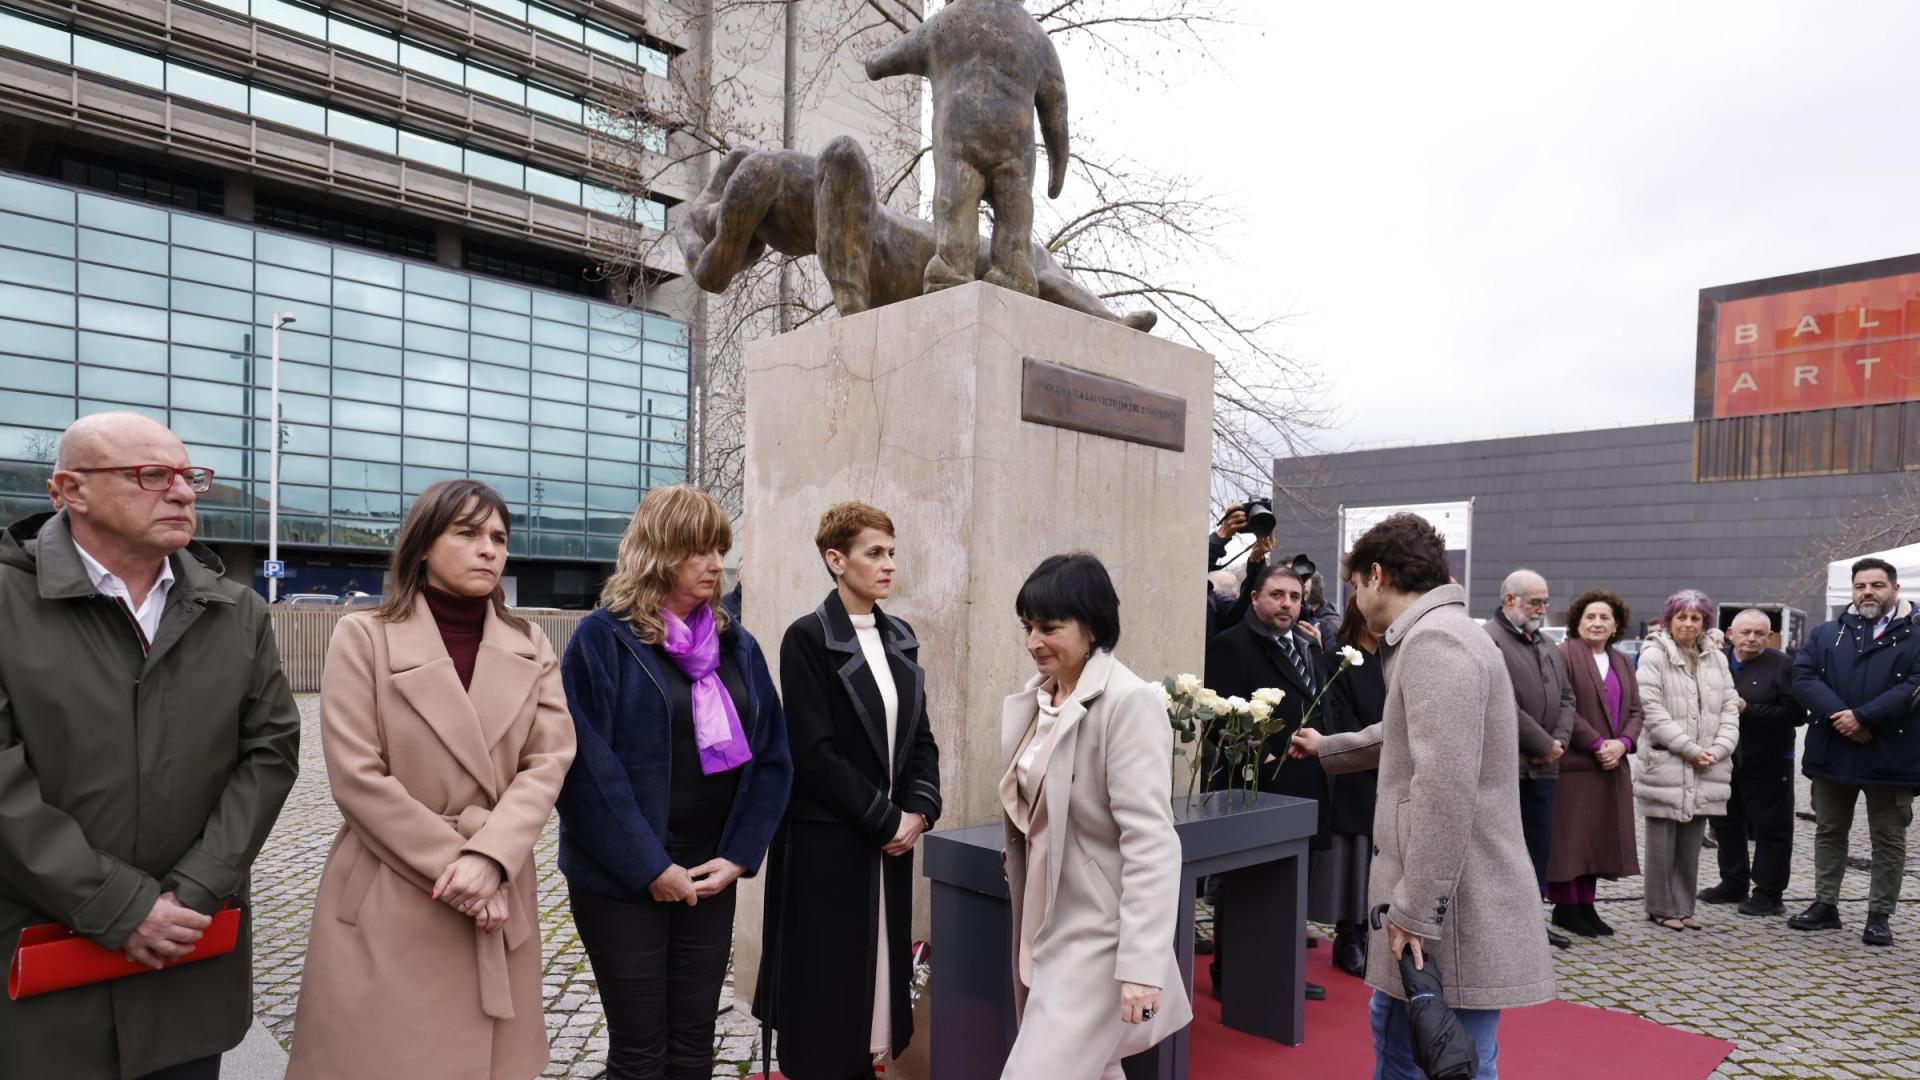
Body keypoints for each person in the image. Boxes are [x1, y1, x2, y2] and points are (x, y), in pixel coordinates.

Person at [0, 412, 301, 1080]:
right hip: (39, 968)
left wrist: (195, 891)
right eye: (152, 475)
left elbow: (271, 751)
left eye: (190, 476)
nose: (186, 492)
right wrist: (118, 906)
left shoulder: (235, 610)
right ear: (68, 491)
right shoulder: (6, 600)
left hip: (187, 969)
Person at [286, 480, 577, 1079]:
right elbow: (357, 776)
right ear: (422, 544)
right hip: (395, 883)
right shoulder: (363, 636)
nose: (488, 549)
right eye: (467, 533)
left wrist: (492, 858)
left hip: (496, 880)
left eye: (498, 537)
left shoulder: (530, 643)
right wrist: (465, 865)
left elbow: (548, 761)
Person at [1291, 513, 1554, 1079]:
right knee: (1447, 1055)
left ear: (1377, 575)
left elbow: (1444, 786)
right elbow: (1412, 735)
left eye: (1355, 585)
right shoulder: (1445, 634)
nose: (1355, 600)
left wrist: (1416, 911)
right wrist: (1329, 748)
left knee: (1428, 1059)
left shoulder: (1435, 641)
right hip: (1450, 904)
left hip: (1447, 912)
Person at [554, 485, 792, 1078]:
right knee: (639, 1056)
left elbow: (771, 756)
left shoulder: (737, 645)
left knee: (692, 1048)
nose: (717, 565)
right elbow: (585, 767)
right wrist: (649, 867)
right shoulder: (604, 640)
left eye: (721, 550)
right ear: (657, 553)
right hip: (621, 878)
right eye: (699, 551)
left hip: (710, 873)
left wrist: (738, 856)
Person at [757, 503, 942, 1077]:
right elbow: (813, 753)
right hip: (828, 846)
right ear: (836, 560)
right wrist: (887, 821)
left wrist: (920, 810)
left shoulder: (901, 636)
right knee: (829, 996)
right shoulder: (808, 638)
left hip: (888, 843)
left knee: (876, 997)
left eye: (891, 552)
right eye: (873, 553)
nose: (888, 564)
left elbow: (922, 741)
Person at [999, 553, 1192, 1079]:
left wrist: (1142, 967)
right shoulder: (1038, 700)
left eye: (1049, 628)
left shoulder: (1128, 703)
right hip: (1045, 920)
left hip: (1098, 936)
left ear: (1092, 629)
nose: (1033, 641)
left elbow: (1151, 843)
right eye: (1028, 627)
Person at [1204, 559, 1329, 1001]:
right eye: (1277, 595)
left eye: (1294, 597)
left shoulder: (1307, 645)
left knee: (1291, 889)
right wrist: (1268, 754)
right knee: (1245, 887)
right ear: (1254, 598)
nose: (1287, 604)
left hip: (1305, 785)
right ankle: (1230, 971)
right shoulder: (1230, 645)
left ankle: (1282, 970)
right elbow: (1222, 719)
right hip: (1257, 789)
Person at [1789, 557, 1920, 946]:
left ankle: (1879, 915)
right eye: (1861, 585)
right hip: (1833, 748)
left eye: (1877, 585)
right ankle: (1825, 905)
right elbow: (1804, 676)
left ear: (1895, 589)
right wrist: (1839, 716)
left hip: (1892, 753)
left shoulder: (1917, 634)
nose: (1868, 592)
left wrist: (1863, 718)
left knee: (1888, 838)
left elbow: (1915, 685)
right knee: (1829, 830)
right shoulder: (1829, 633)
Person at [1633, 590, 1740, 932]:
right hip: (1669, 758)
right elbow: (1651, 709)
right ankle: (1660, 906)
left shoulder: (1717, 659)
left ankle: (1683, 905)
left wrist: (1720, 748)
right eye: (1682, 617)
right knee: (1662, 839)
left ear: (1705, 623)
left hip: (1707, 761)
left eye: (1695, 618)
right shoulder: (1654, 653)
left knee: (1692, 840)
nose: (1688, 624)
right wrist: (1689, 748)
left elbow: (1729, 706)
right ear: (1670, 619)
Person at [1483, 569, 1577, 949]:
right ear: (1510, 600)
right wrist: (1541, 742)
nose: (1542, 609)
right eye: (1535, 601)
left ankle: (1531, 922)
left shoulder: (1545, 644)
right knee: (1506, 852)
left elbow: (1568, 697)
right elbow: (1501, 701)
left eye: (1545, 601)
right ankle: (1501, 927)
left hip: (1546, 768)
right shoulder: (1489, 640)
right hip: (1510, 767)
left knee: (1539, 848)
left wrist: (1559, 741)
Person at [1546, 590, 1644, 938]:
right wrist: (1599, 743)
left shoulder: (1621, 661)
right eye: (1591, 617)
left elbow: (1636, 710)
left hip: (1611, 764)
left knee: (1598, 840)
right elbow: (1562, 706)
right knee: (1572, 840)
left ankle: (1586, 905)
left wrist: (1624, 743)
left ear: (1616, 625)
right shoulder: (1564, 655)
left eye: (1605, 617)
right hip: (1578, 763)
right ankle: (1566, 907)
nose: (1597, 623)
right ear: (1577, 621)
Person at [1697, 609, 1807, 917]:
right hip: (1723, 759)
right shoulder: (1716, 662)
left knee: (1771, 828)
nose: (1753, 638)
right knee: (1726, 823)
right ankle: (1733, 882)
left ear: (1770, 637)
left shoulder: (1782, 666)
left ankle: (1769, 893)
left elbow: (1797, 715)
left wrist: (1750, 709)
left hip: (1769, 761)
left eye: (1761, 633)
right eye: (1746, 632)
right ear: (1730, 633)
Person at [1320, 595, 1384, 977]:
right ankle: (1350, 935)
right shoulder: (1338, 658)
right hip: (1356, 771)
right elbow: (1339, 718)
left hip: (1392, 771)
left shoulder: (1395, 659)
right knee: (1355, 862)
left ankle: (1372, 932)